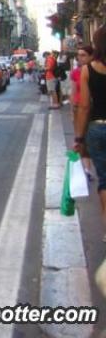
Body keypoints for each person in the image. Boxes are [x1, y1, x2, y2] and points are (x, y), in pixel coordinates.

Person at [74, 27, 106, 242]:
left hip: (98, 127)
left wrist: (78, 138)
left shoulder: (88, 70)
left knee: (104, 180)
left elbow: (84, 107)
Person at [71, 45, 95, 182]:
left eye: (83, 55)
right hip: (79, 109)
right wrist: (72, 111)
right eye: (78, 55)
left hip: (94, 109)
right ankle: (87, 169)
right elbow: (74, 93)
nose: (80, 58)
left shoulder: (97, 70)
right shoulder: (75, 72)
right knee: (82, 141)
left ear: (91, 56)